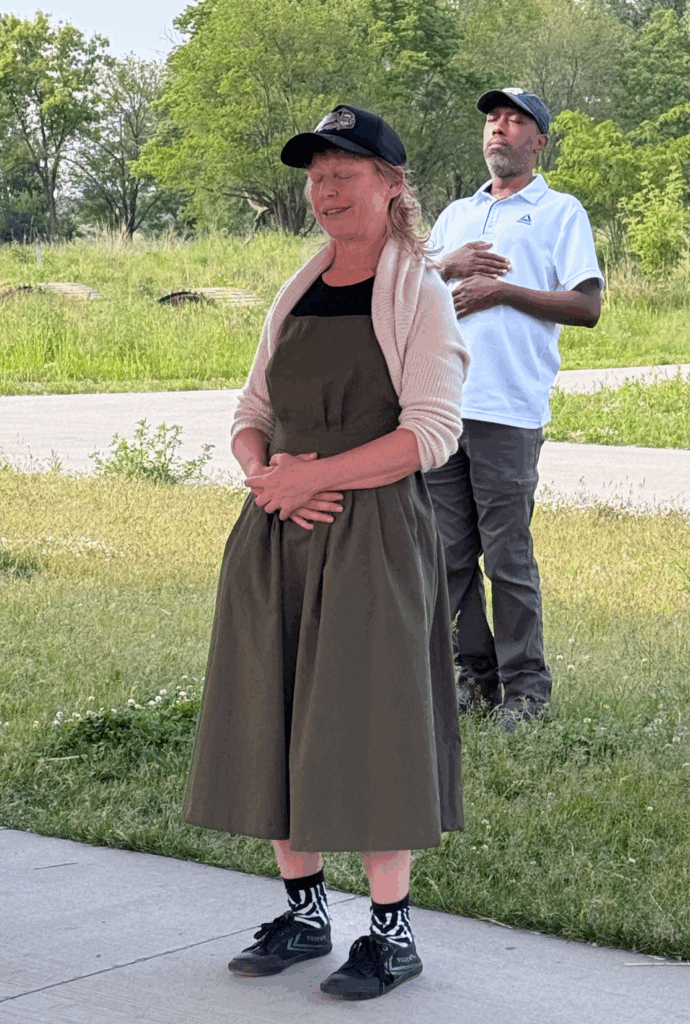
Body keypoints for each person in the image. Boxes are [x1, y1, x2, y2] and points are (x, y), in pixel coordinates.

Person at [183, 103, 468, 1000]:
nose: (326, 190)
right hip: (278, 533)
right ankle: (305, 914)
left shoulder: (420, 293)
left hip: (374, 538)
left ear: (391, 185)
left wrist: (317, 476)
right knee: (272, 713)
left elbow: (433, 433)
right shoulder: (296, 289)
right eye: (316, 176)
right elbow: (250, 413)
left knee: (372, 722)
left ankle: (392, 935)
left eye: (345, 173)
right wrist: (265, 477)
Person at [425, 88, 603, 728]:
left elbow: (586, 305)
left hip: (508, 410)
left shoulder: (560, 212)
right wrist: (445, 266)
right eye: (493, 120)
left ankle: (526, 690)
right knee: (447, 556)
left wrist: (501, 291)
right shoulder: (456, 215)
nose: (499, 128)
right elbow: (411, 291)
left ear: (539, 141)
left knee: (507, 558)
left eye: (515, 120)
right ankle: (474, 678)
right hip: (441, 408)